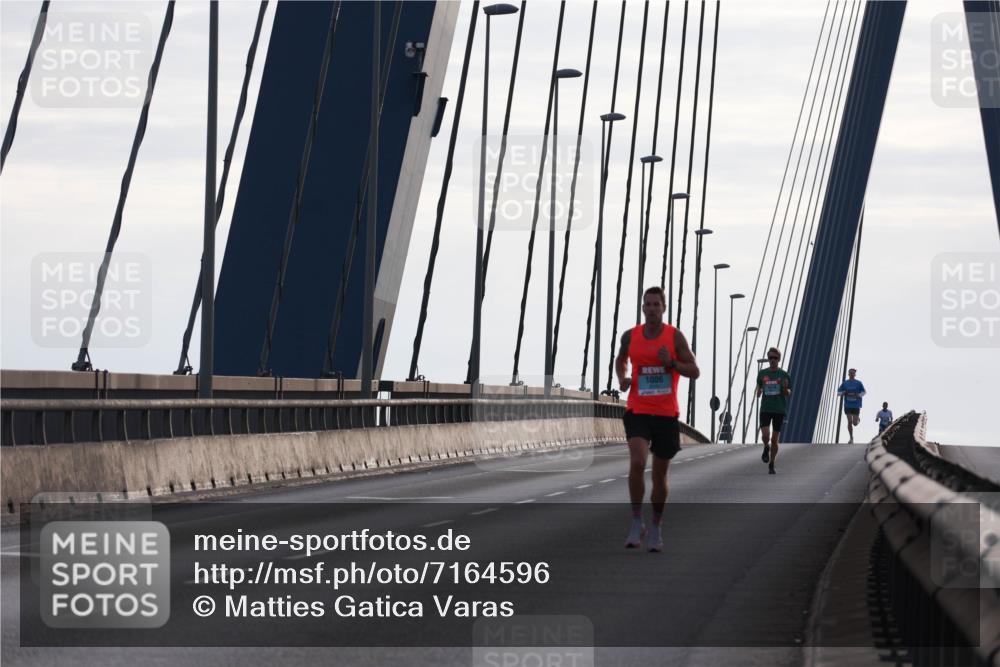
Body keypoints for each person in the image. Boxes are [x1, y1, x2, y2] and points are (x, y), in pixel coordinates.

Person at [616, 286, 699, 552]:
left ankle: (656, 525)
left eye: (656, 305)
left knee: (660, 475)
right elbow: (621, 360)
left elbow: (695, 371)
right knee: (638, 462)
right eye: (647, 304)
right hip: (638, 409)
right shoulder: (631, 336)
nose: (651, 309)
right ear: (643, 307)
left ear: (663, 308)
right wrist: (623, 378)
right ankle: (636, 521)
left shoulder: (675, 338)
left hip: (665, 413)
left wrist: (672, 364)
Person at [755, 347, 791, 475]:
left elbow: (788, 392)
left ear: (779, 359)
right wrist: (758, 392)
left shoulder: (784, 375)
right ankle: (766, 446)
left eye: (775, 358)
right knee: (765, 435)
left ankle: (772, 463)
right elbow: (758, 388)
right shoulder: (762, 373)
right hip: (765, 408)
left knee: (775, 439)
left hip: (779, 409)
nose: (772, 360)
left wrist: (785, 388)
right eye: (770, 358)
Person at [837, 368, 866, 444]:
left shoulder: (859, 383)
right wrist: (844, 392)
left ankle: (857, 419)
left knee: (855, 423)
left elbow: (864, 392)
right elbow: (838, 393)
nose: (852, 374)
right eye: (850, 373)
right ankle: (851, 438)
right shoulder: (845, 383)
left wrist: (858, 395)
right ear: (848, 374)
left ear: (855, 374)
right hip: (848, 405)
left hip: (856, 405)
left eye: (853, 373)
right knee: (849, 421)